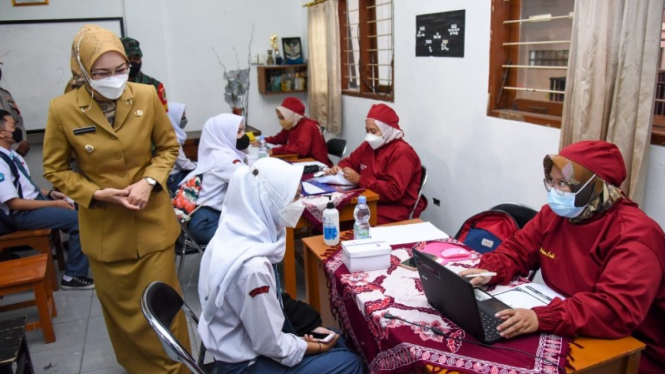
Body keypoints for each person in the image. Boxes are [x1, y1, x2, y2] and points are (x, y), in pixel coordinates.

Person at [42, 25, 189, 374]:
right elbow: (54, 169)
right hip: (106, 231)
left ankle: (178, 369)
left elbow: (168, 148)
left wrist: (150, 181)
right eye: (102, 73)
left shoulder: (145, 95)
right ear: (82, 71)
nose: (114, 79)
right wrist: (93, 193)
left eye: (120, 70)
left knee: (163, 311)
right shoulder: (63, 109)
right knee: (125, 316)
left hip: (152, 224)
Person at [459, 141, 665, 374]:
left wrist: (543, 318)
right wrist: (490, 270)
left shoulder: (636, 234)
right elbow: (518, 248)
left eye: (564, 184)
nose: (555, 192)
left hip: (630, 347)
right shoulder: (556, 215)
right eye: (552, 183)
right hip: (571, 319)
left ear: (595, 186)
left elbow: (615, 309)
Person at [198, 157, 364, 374]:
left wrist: (305, 340)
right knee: (351, 361)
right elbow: (271, 344)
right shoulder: (253, 267)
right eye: (294, 197)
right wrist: (312, 347)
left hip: (235, 343)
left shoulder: (232, 235)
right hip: (247, 364)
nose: (300, 204)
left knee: (336, 338)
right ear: (270, 201)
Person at [0, 110, 93, 290]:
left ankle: (76, 249)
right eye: (13, 126)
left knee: (79, 203)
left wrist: (50, 194)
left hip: (31, 204)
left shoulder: (10, 154)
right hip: (20, 214)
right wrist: (54, 204)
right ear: (1, 132)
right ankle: (73, 276)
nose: (17, 129)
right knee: (79, 221)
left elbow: (24, 187)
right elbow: (14, 202)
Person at [326, 103, 426, 224]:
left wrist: (360, 180)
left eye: (373, 131)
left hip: (392, 208)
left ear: (387, 130)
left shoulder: (402, 153)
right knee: (330, 213)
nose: (369, 136)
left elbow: (393, 190)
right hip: (368, 199)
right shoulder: (368, 146)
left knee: (342, 218)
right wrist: (339, 168)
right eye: (367, 130)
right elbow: (352, 161)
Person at [177, 113, 248, 244]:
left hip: (198, 221)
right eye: (238, 131)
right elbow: (250, 182)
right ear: (224, 135)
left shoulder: (214, 153)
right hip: (206, 223)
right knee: (253, 234)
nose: (244, 135)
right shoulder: (223, 159)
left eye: (243, 130)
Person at [262, 97, 332, 167]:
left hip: (316, 164)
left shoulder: (307, 126)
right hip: (302, 159)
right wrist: (263, 141)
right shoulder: (292, 122)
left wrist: (276, 150)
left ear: (291, 115)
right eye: (279, 118)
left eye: (282, 118)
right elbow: (280, 138)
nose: (281, 121)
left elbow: (301, 149)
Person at [120, 36, 168, 111]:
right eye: (128, 59)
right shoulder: (113, 85)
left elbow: (163, 116)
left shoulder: (154, 86)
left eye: (136, 58)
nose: (133, 62)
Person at [0, 63, 31, 156]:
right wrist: (16, 146)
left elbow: (18, 120)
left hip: (13, 153)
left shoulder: (5, 95)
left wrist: (23, 141)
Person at [166, 102, 197, 194]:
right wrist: (199, 166)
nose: (184, 119)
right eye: (182, 116)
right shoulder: (172, 138)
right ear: (172, 117)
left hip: (175, 175)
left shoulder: (172, 134)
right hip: (175, 177)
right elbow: (184, 164)